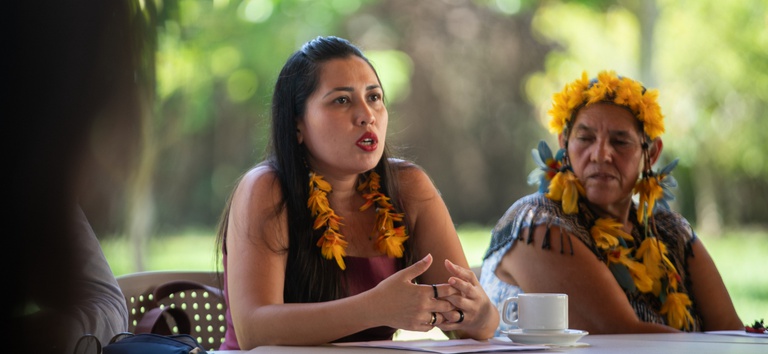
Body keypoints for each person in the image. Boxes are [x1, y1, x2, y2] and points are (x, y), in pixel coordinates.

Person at [214, 36, 499, 350]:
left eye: (374, 97)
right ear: (298, 124)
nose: (367, 115)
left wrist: (479, 314)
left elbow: (476, 327)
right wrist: (374, 307)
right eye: (341, 100)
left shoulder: (408, 187)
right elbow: (255, 331)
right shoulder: (266, 189)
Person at [480, 71, 743, 335]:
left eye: (620, 141)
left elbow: (732, 333)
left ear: (650, 153)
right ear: (564, 143)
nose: (601, 154)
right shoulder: (540, 222)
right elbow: (624, 337)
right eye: (585, 139)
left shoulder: (671, 232)